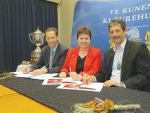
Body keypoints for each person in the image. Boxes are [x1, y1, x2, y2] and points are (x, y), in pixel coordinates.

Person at [83, 18, 150, 92]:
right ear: (109, 34)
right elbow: (103, 74)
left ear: (125, 31)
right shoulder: (108, 53)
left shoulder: (139, 48)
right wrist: (92, 78)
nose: (114, 34)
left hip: (129, 90)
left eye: (117, 31)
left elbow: (144, 76)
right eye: (112, 32)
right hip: (109, 90)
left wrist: (121, 85)